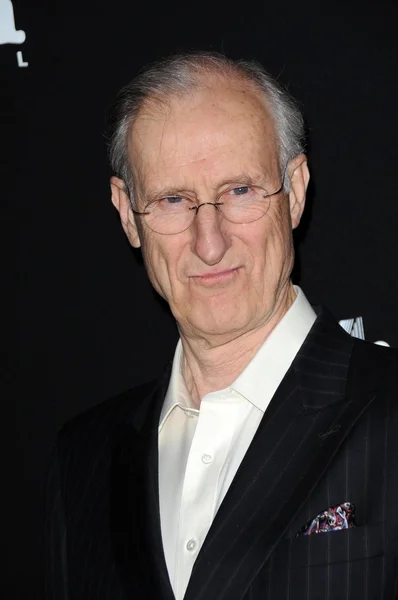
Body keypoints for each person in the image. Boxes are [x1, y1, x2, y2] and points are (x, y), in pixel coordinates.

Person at [45, 52, 398, 600]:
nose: (209, 243)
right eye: (172, 200)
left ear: (296, 188)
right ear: (126, 213)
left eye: (240, 191)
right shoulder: (84, 457)